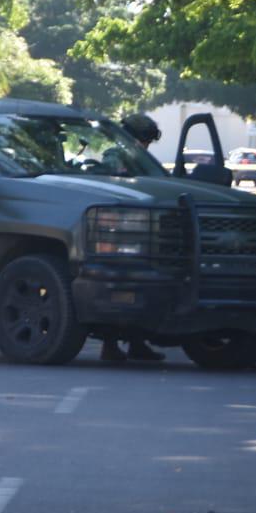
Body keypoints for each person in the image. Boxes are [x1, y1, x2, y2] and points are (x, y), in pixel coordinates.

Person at [100, 112, 166, 363]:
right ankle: (111, 344)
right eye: (144, 140)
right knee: (118, 288)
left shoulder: (141, 158)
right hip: (120, 229)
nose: (146, 145)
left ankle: (137, 343)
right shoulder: (115, 156)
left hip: (140, 228)